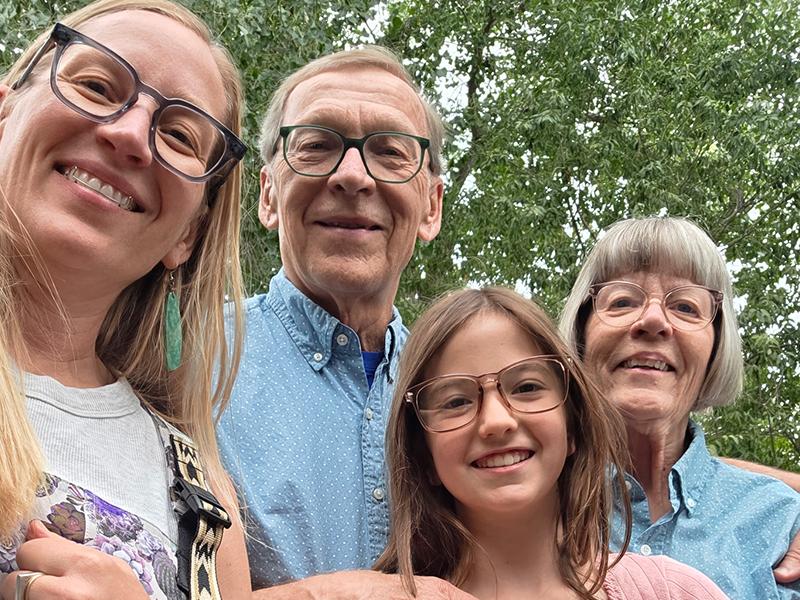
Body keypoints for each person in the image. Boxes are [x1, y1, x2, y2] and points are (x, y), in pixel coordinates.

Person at [0, 1, 250, 598]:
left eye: (180, 135)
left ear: (187, 236)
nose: (131, 135)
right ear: (5, 113)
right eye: (94, 85)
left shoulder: (204, 494)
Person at [216, 45, 456, 595]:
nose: (352, 176)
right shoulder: (182, 363)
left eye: (391, 152)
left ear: (431, 207)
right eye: (317, 146)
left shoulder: (467, 394)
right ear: (269, 193)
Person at [374, 286, 728, 599]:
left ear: (571, 427)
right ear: (423, 454)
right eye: (456, 401)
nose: (497, 421)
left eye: (526, 387)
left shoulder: (673, 591)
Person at [559, 216, 800, 599]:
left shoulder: (779, 519)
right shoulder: (522, 506)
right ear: (581, 334)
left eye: (686, 307)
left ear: (715, 348)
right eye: (622, 300)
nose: (653, 320)